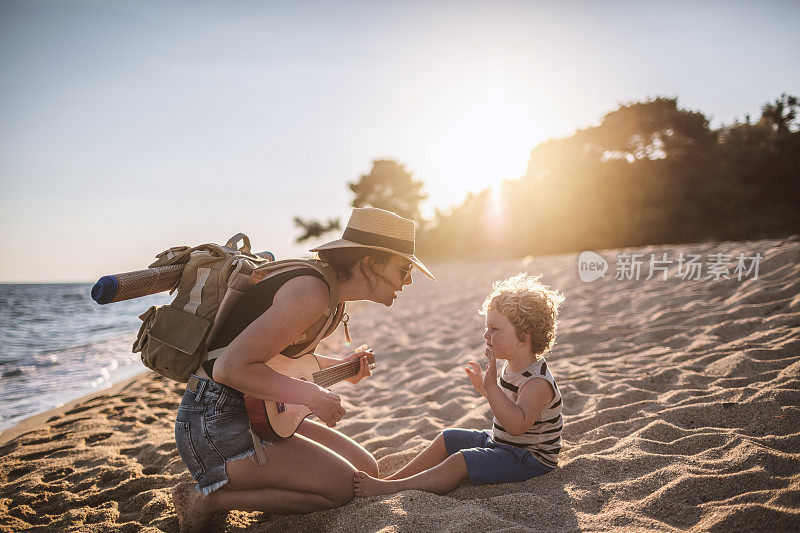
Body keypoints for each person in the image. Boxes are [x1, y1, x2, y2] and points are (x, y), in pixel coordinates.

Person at [171, 207, 436, 531]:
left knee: (365, 470)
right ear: (370, 264)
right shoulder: (311, 292)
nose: (408, 280)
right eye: (404, 268)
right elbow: (228, 370)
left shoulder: (331, 295)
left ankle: (254, 484)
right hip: (215, 424)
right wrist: (312, 395)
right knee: (342, 489)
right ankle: (207, 499)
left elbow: (281, 362)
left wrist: (343, 368)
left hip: (256, 412)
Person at [353, 273, 564, 497]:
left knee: (461, 461)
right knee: (449, 437)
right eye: (487, 328)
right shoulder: (513, 365)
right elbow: (507, 405)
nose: (486, 335)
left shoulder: (537, 382)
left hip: (528, 458)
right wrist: (484, 389)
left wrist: (491, 388)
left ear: (524, 336)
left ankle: (391, 488)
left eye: (494, 329)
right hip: (503, 443)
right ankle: (391, 480)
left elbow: (516, 426)